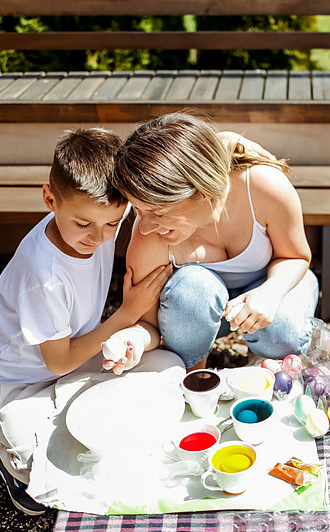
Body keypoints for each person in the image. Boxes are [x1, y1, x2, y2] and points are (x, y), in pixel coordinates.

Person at [0, 128, 183, 515]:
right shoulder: (42, 274)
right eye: (83, 224)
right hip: (21, 386)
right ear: (49, 198)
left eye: (111, 224)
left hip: (78, 358)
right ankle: (5, 456)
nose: (98, 237)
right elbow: (56, 362)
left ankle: (74, 411)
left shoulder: (98, 219)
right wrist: (126, 314)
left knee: (169, 366)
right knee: (45, 470)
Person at [113, 111, 319, 371]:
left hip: (270, 282)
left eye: (158, 212)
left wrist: (271, 292)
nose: (144, 225)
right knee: (192, 287)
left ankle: (271, 364)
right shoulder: (148, 239)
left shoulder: (264, 187)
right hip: (204, 312)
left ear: (201, 190)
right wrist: (132, 338)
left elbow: (296, 257)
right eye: (138, 209)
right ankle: (193, 373)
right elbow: (149, 325)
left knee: (282, 328)